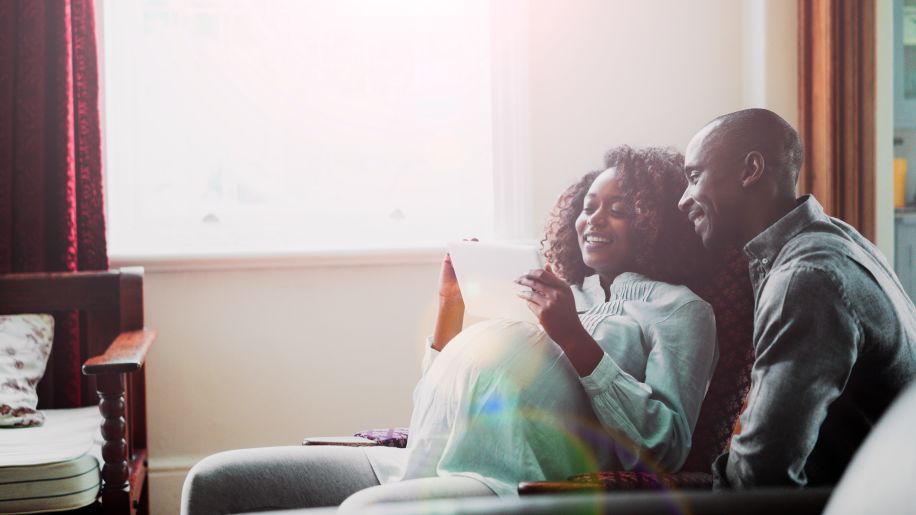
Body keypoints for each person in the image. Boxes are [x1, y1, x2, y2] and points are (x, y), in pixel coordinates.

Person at [181, 146, 718, 514]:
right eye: (588, 206)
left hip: (509, 478)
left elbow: (665, 448)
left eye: (618, 210)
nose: (592, 220)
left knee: (361, 511)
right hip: (426, 452)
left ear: (656, 221)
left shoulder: (680, 310)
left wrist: (572, 338)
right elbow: (450, 394)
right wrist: (450, 306)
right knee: (213, 483)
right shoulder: (564, 292)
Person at [677, 108, 916, 489]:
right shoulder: (839, 239)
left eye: (694, 177)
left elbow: (758, 479)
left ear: (750, 170)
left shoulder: (804, 279)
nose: (683, 199)